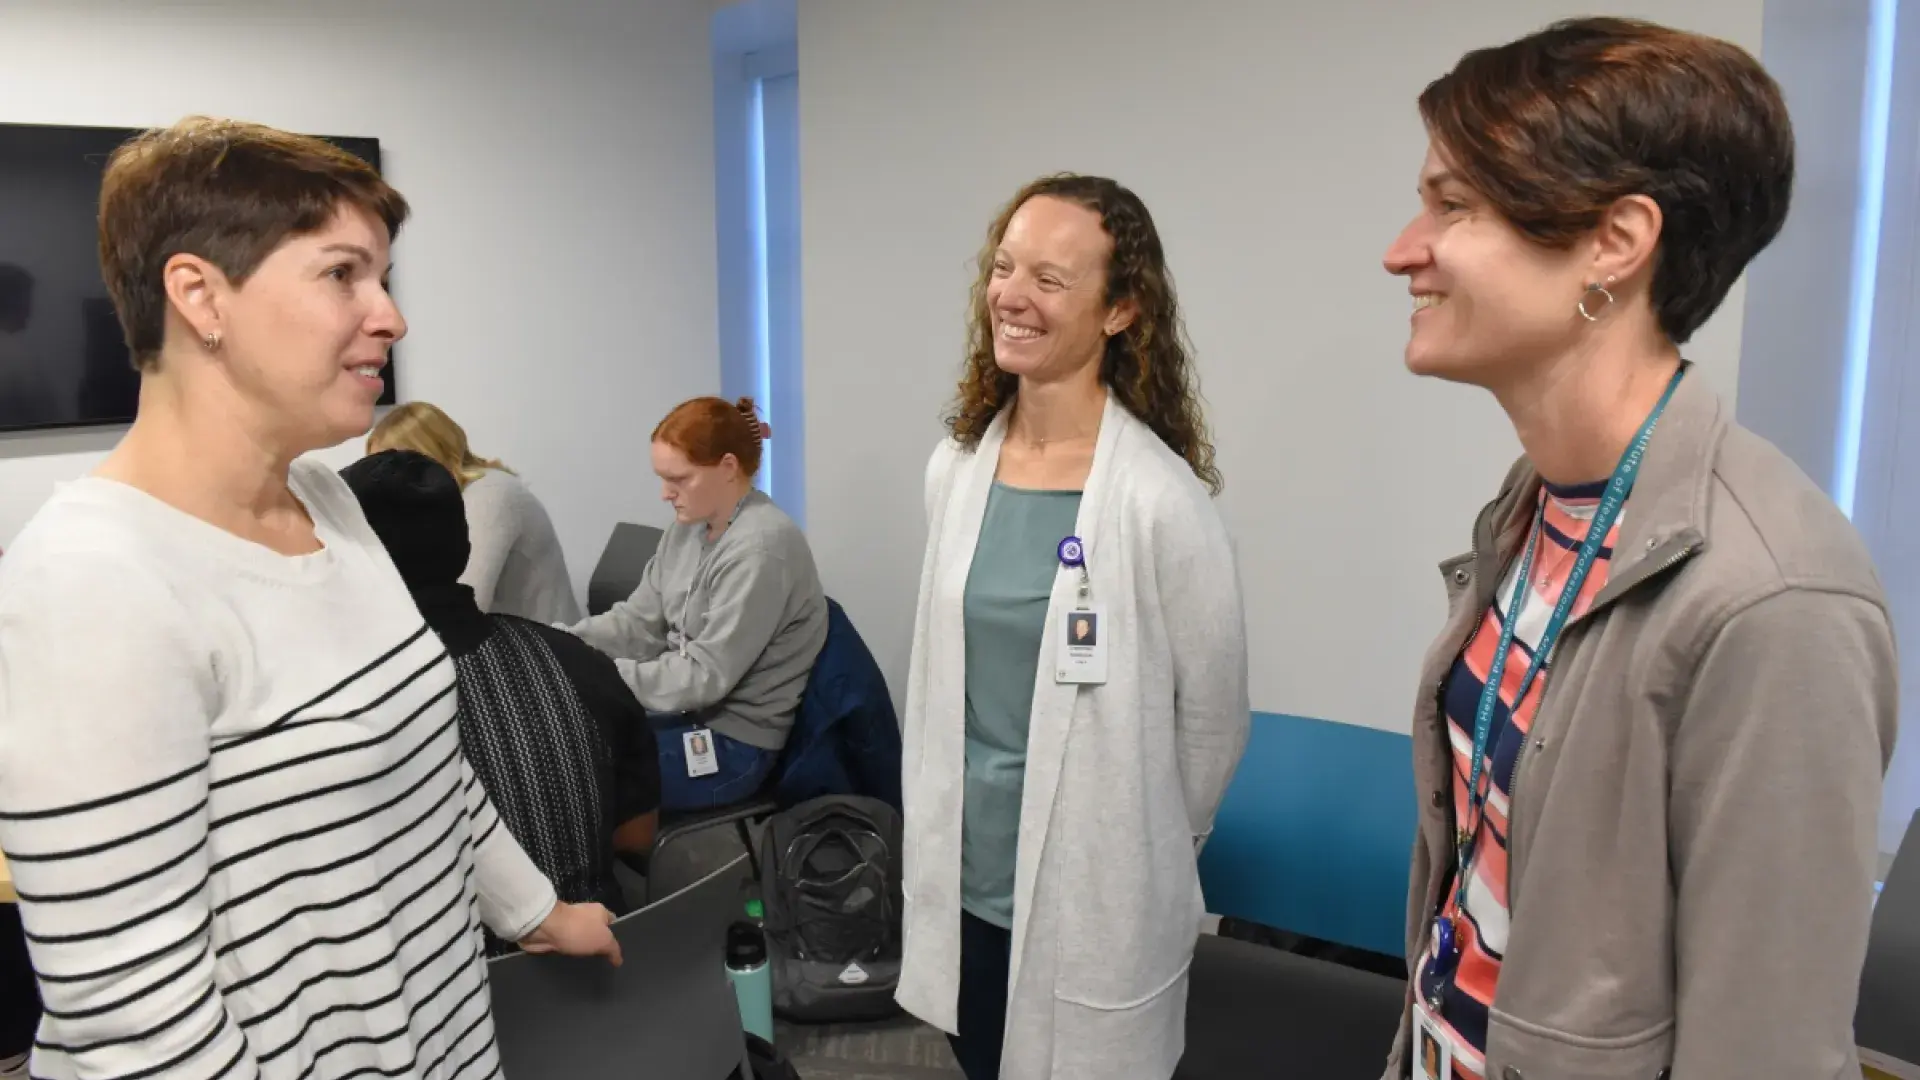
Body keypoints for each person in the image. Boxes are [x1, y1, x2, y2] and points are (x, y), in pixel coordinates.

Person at [0, 116, 619, 1080]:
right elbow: (137, 1022)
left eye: (383, 278)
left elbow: (428, 764)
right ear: (199, 295)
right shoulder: (95, 581)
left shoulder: (330, 498)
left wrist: (536, 913)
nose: (390, 316)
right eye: (342, 275)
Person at [1381, 19, 1897, 1080]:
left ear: (1615, 243)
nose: (1403, 249)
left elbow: (1766, 1052)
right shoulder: (1539, 503)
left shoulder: (1774, 595)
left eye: (1452, 204)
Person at [897, 174, 1249, 1080]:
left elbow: (1211, 724)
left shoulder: (1160, 500)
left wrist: (1137, 845)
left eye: (1051, 280)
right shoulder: (957, 469)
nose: (1012, 295)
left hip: (1096, 897)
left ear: (1121, 309)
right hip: (966, 883)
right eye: (1005, 267)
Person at [343, 448, 663, 944]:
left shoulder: (343, 706)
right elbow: (637, 838)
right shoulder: (577, 661)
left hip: (450, 996)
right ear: (468, 547)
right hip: (605, 977)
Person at [567, 396, 827, 810]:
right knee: (553, 741)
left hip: (734, 743)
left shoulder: (760, 549)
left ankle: (588, 872)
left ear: (727, 468)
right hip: (683, 713)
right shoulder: (687, 529)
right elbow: (638, 623)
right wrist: (560, 644)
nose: (665, 494)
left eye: (679, 479)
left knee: (569, 776)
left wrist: (597, 675)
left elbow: (704, 677)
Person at [368, 400, 583, 625]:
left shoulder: (491, 494)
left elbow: (461, 607)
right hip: (509, 645)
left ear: (429, 456)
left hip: (543, 652)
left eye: (388, 468)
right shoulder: (444, 504)